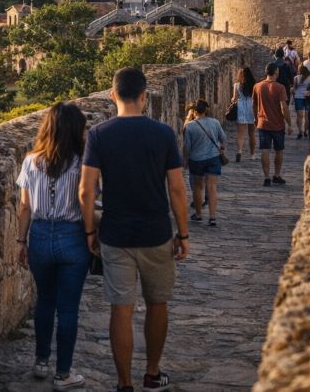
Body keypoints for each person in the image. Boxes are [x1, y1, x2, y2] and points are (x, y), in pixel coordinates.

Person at [79, 67, 189, 392]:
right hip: (156, 234)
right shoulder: (163, 134)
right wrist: (183, 234)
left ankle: (124, 383)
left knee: (121, 309)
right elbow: (176, 189)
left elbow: (86, 191)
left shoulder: (99, 135)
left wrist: (90, 232)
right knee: (158, 304)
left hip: (116, 235)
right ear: (144, 97)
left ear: (113, 96)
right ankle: (152, 374)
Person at [16, 102, 91, 389]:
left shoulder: (31, 161)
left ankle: (41, 361)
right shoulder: (82, 162)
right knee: (68, 308)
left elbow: (25, 207)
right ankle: (63, 373)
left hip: (39, 235)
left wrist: (21, 241)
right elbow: (87, 200)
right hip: (72, 235)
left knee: (45, 300)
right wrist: (91, 234)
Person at [183, 99, 225, 227]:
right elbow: (223, 138)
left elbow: (187, 147)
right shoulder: (215, 122)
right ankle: (212, 217)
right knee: (212, 188)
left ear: (194, 111)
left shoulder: (189, 126)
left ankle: (198, 214)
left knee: (197, 187)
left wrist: (185, 160)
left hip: (196, 160)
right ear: (205, 110)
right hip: (213, 158)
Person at [252, 62, 292, 187]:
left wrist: (256, 119)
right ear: (276, 72)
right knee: (279, 150)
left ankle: (266, 177)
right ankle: (277, 175)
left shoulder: (257, 86)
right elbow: (283, 107)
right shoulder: (280, 88)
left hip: (263, 123)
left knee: (265, 150)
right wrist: (289, 123)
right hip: (277, 124)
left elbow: (254, 105)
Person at [233, 67, 256, 162]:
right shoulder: (254, 85)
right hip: (251, 108)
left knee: (240, 134)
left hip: (241, 108)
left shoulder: (237, 85)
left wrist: (233, 100)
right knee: (252, 134)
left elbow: (234, 99)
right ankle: (252, 154)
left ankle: (239, 151)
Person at [291, 64, 310, 139]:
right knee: (307, 116)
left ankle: (300, 131)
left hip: (298, 97)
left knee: (299, 116)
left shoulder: (296, 78)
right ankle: (305, 132)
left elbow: (294, 88)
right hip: (308, 97)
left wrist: (291, 91)